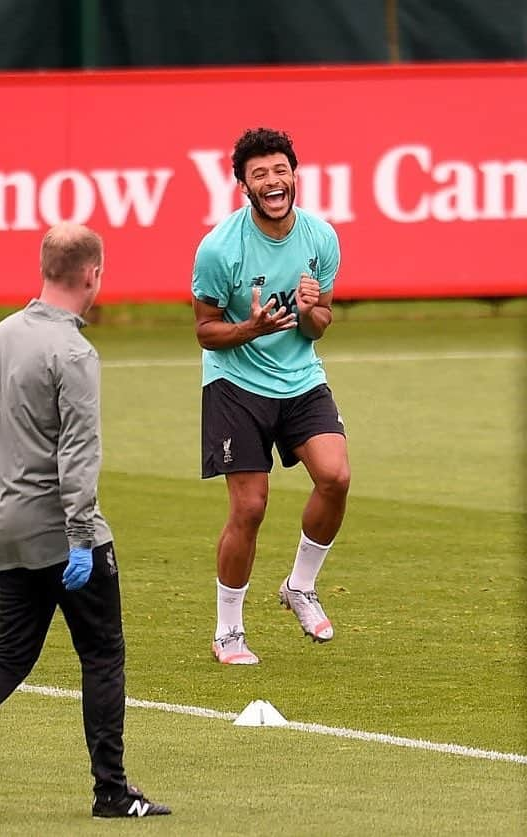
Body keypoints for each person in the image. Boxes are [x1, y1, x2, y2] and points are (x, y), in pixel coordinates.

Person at [0, 223, 170, 820]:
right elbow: (78, 453)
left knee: (11, 655)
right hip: (62, 530)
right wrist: (78, 537)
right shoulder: (73, 352)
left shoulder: (0, 335)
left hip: (3, 522)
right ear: (93, 273)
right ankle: (111, 791)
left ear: (45, 268)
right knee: (101, 654)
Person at [191, 127, 350, 665]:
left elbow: (321, 323)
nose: (272, 180)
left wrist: (309, 312)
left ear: (295, 176)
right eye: (259, 174)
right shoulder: (218, 248)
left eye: (280, 169)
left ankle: (299, 587)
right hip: (235, 385)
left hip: (301, 378)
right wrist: (251, 329)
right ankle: (228, 632)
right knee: (251, 507)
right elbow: (205, 329)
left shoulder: (321, 237)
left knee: (336, 476)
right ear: (243, 186)